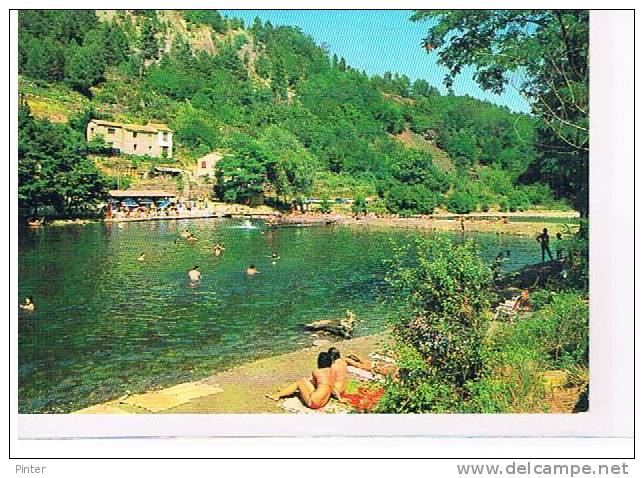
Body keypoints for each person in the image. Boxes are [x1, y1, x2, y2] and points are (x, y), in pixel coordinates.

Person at [266, 352, 335, 409]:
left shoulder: (316, 371)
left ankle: (277, 395)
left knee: (299, 383)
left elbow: (314, 384)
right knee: (304, 380)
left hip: (313, 402)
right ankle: (284, 391)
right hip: (323, 401)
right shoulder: (332, 371)